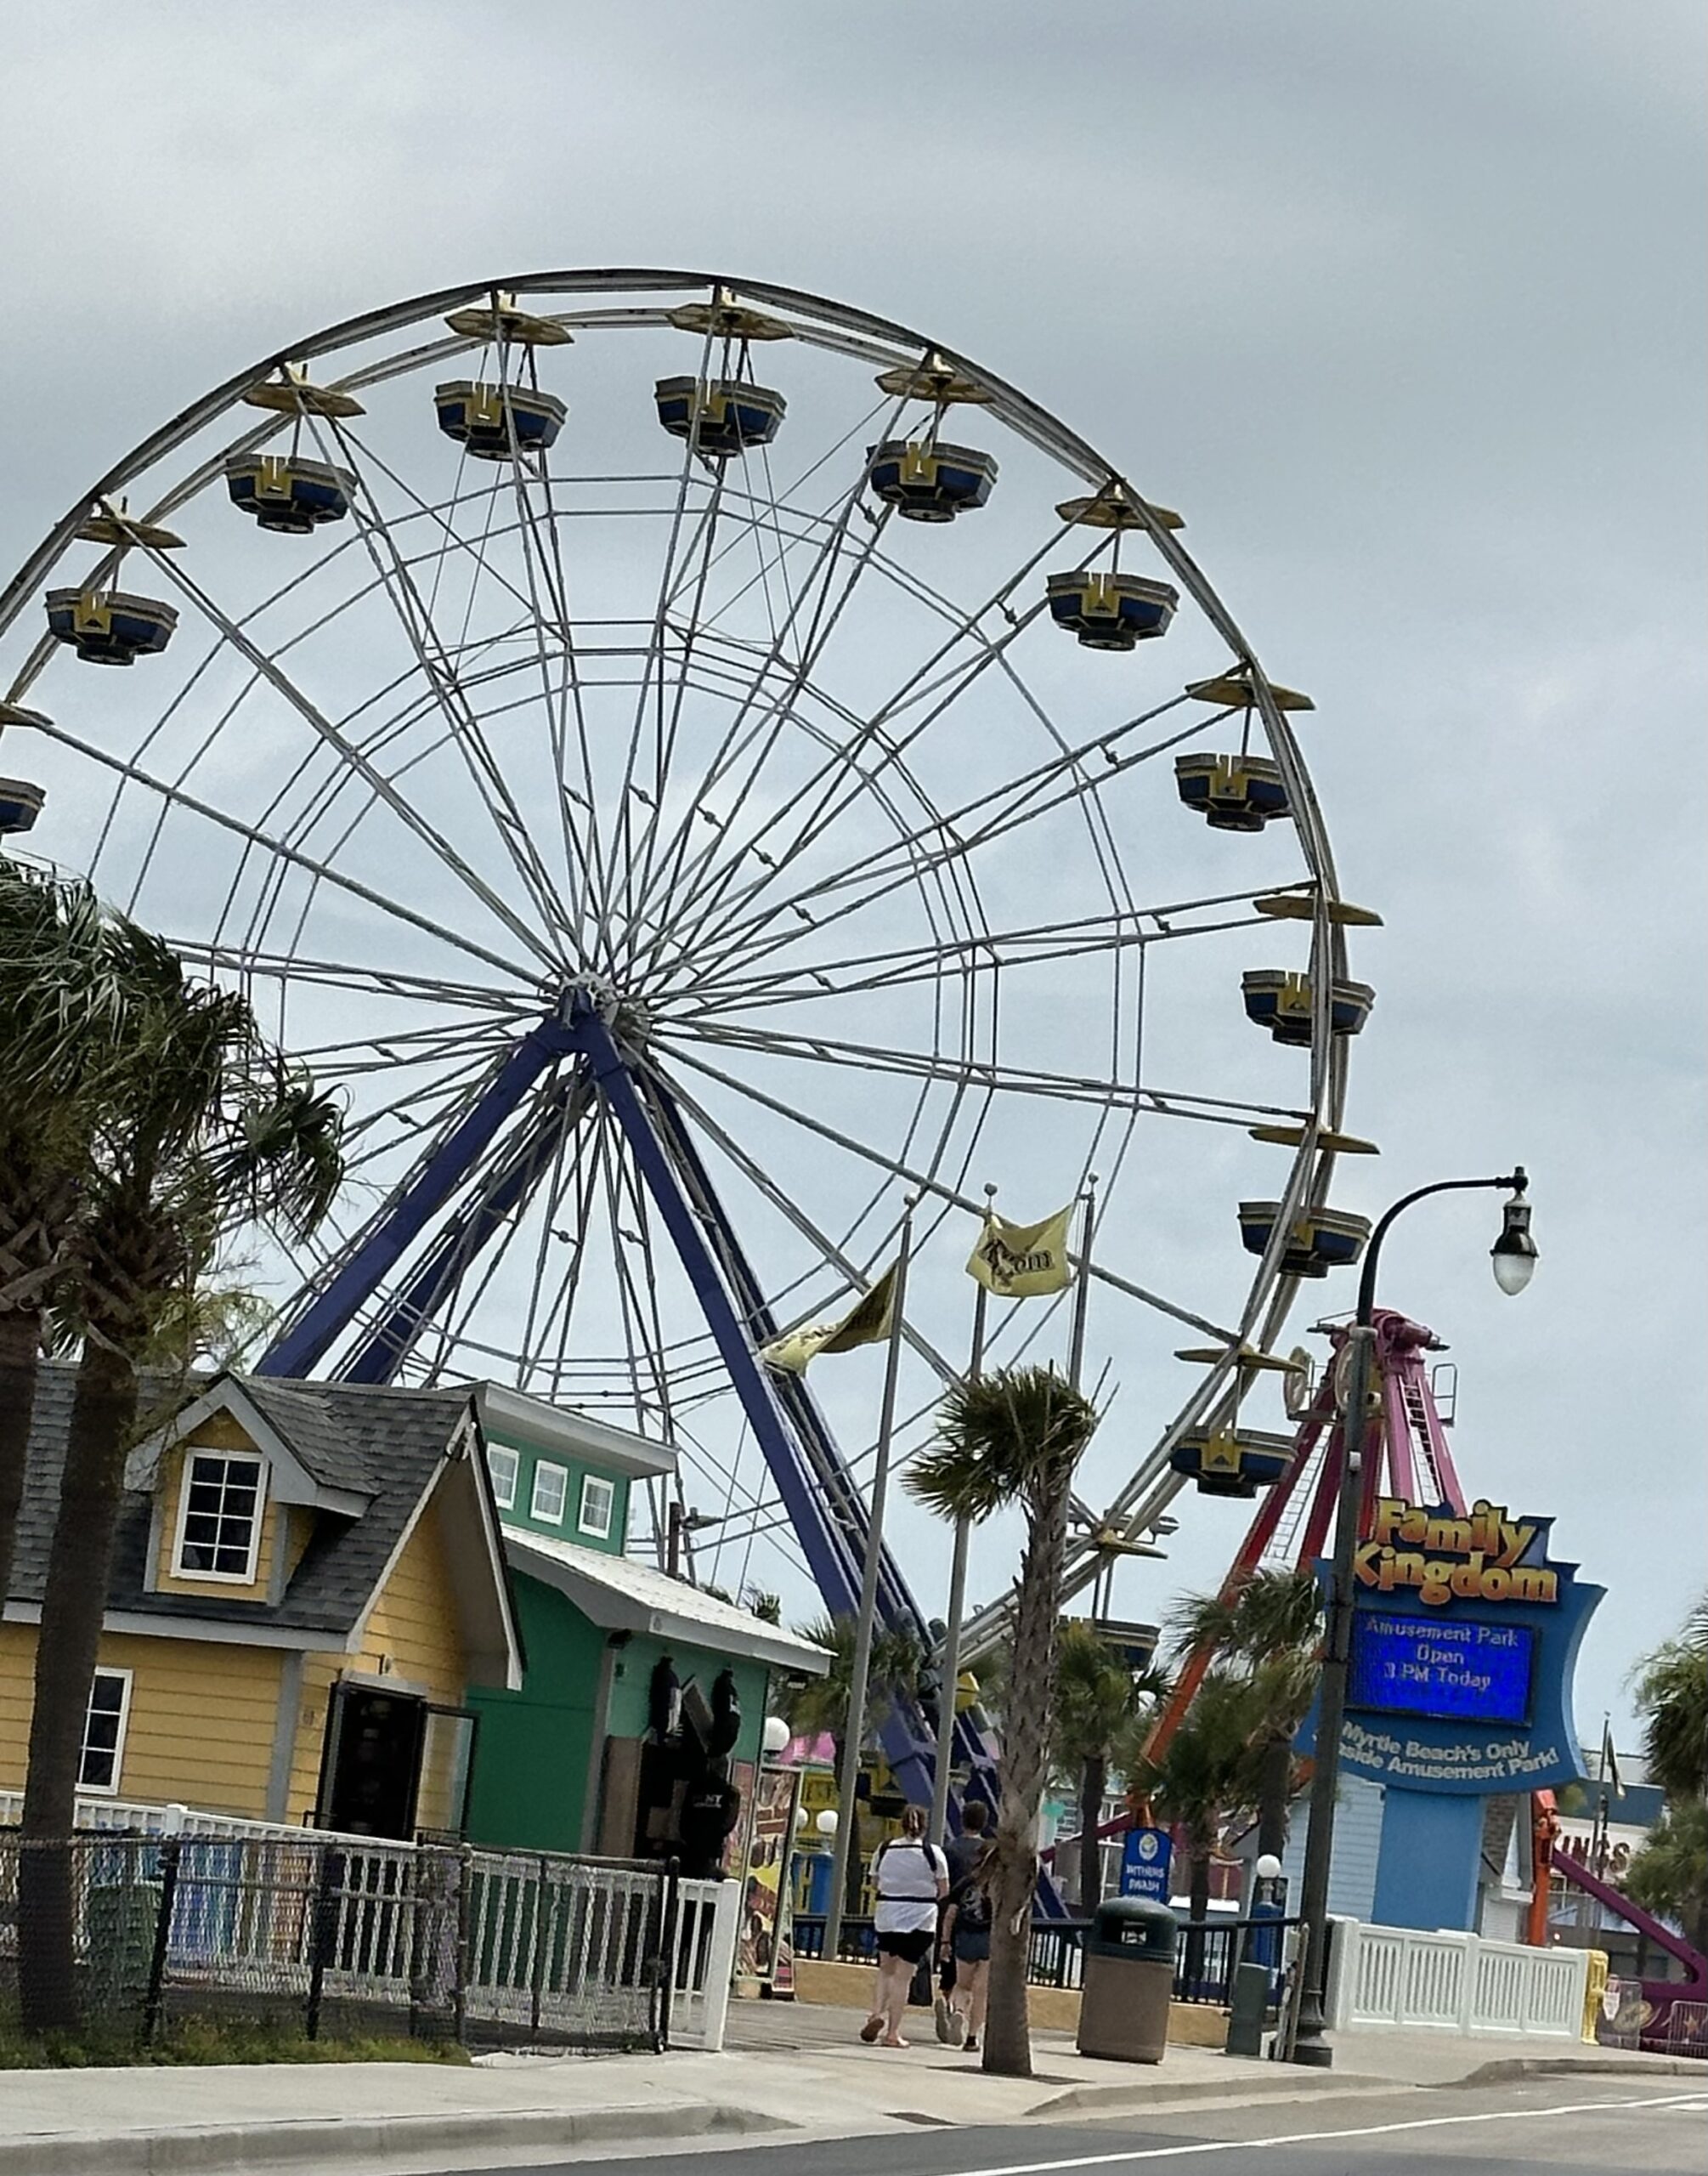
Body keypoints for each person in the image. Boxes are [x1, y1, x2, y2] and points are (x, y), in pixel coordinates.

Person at [861, 1805, 947, 2048]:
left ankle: (876, 2014)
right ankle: (893, 2033)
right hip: (920, 1918)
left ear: (902, 1824)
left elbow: (875, 1882)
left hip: (888, 1915)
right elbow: (944, 1890)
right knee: (903, 1977)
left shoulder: (885, 1849)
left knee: (885, 1970)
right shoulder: (934, 1853)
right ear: (925, 1826)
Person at [935, 1801, 990, 2042]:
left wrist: (944, 1937)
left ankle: (950, 2006)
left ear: (962, 1820)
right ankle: (970, 2032)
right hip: (986, 1932)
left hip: (957, 1922)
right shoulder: (989, 1855)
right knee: (980, 1988)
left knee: (955, 1978)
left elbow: (942, 1888)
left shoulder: (949, 1849)